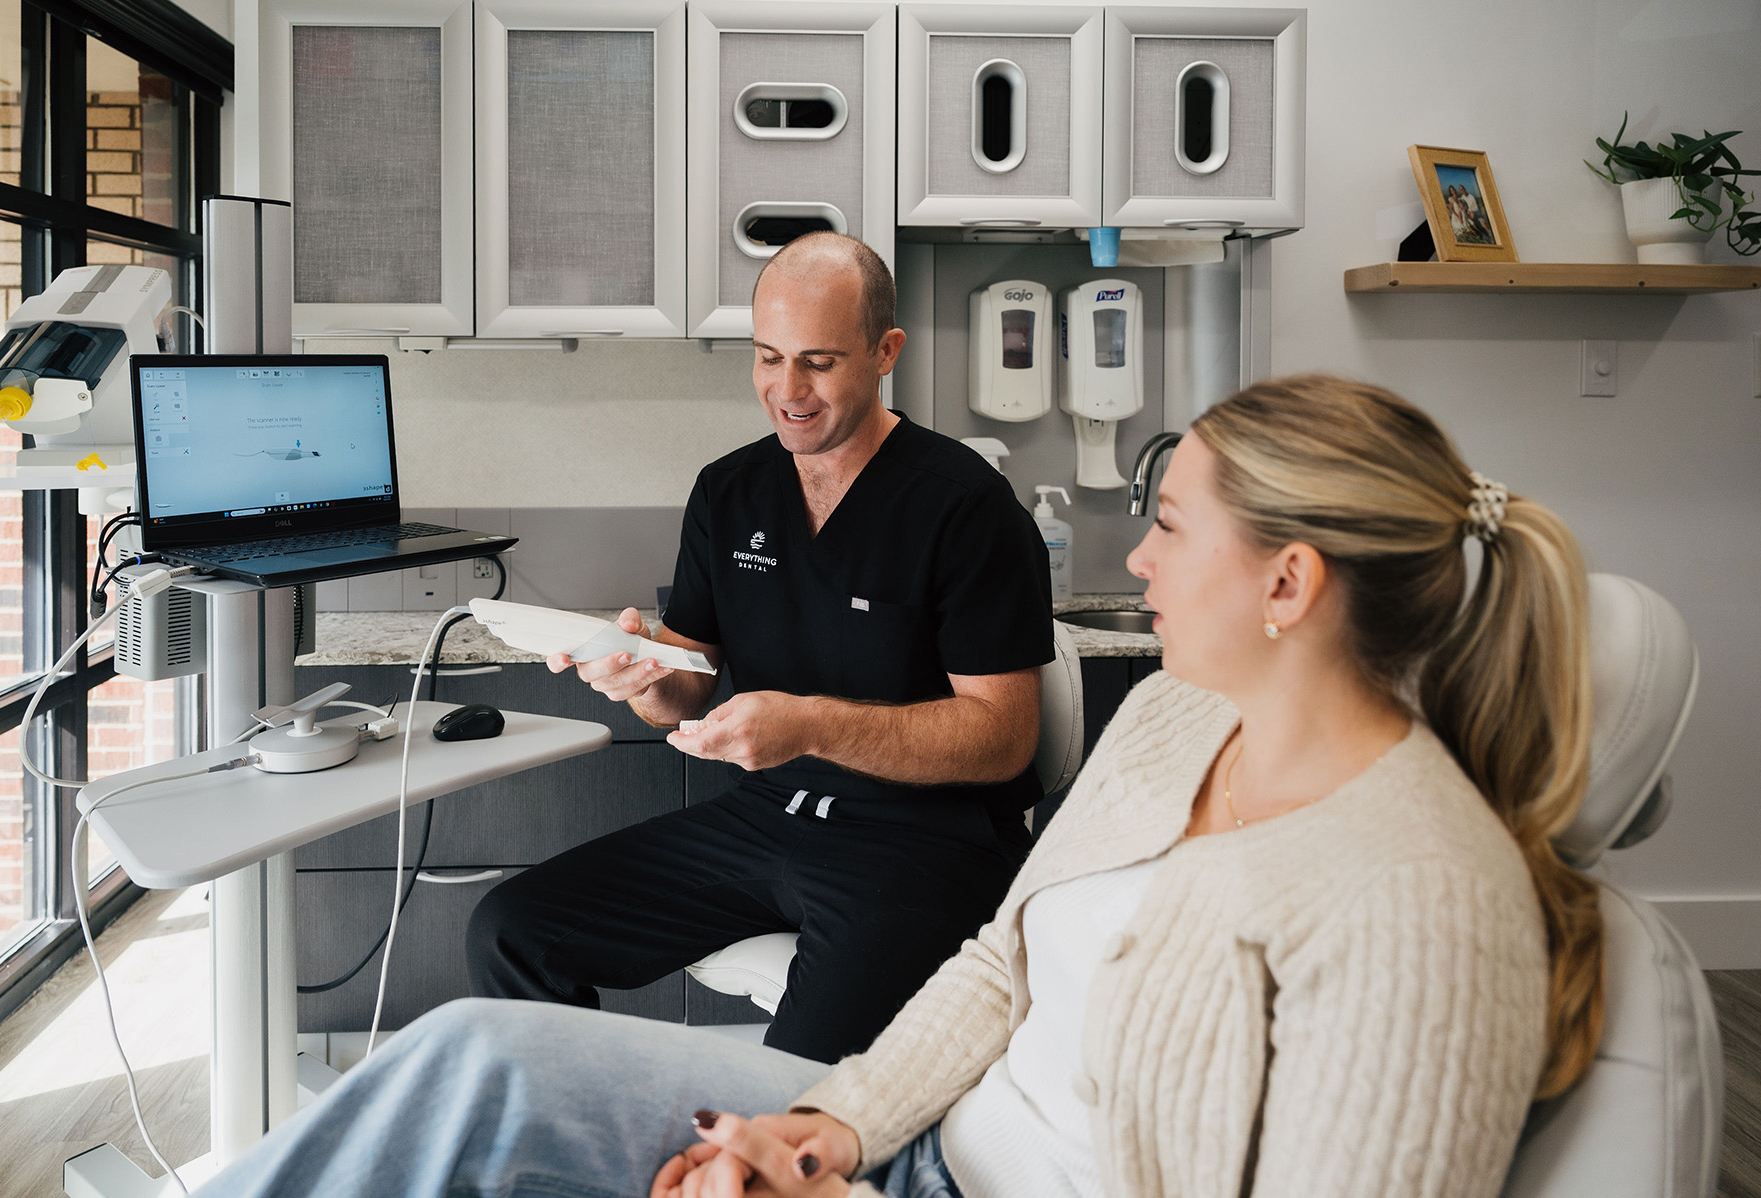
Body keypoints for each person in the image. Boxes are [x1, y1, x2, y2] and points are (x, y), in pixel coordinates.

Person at [196, 374, 1602, 1198]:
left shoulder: (1424, 910)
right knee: (466, 1056)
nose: (1145, 563)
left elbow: (989, 745)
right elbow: (1003, 967)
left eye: (1171, 527)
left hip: (917, 958)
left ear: (1290, 582)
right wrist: (825, 1130)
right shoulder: (1180, 717)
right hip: (913, 1135)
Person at [465, 232, 1055, 1064]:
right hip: (765, 817)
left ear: (886, 352)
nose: (788, 391)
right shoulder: (729, 490)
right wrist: (637, 671)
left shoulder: (964, 506)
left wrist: (812, 725)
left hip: (924, 841)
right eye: (768, 358)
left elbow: (1003, 737)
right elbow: (684, 687)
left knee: (794, 1081)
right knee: (511, 930)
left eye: (818, 361)